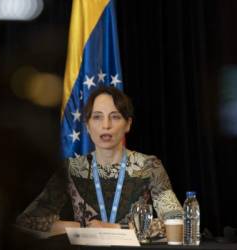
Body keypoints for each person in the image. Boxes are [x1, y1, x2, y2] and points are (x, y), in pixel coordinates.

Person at [16, 86, 182, 237]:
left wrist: (117, 229)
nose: (106, 125)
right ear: (87, 126)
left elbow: (178, 222)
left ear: (128, 124)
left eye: (115, 117)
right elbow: (27, 220)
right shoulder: (72, 168)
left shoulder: (149, 166)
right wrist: (77, 227)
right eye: (97, 117)